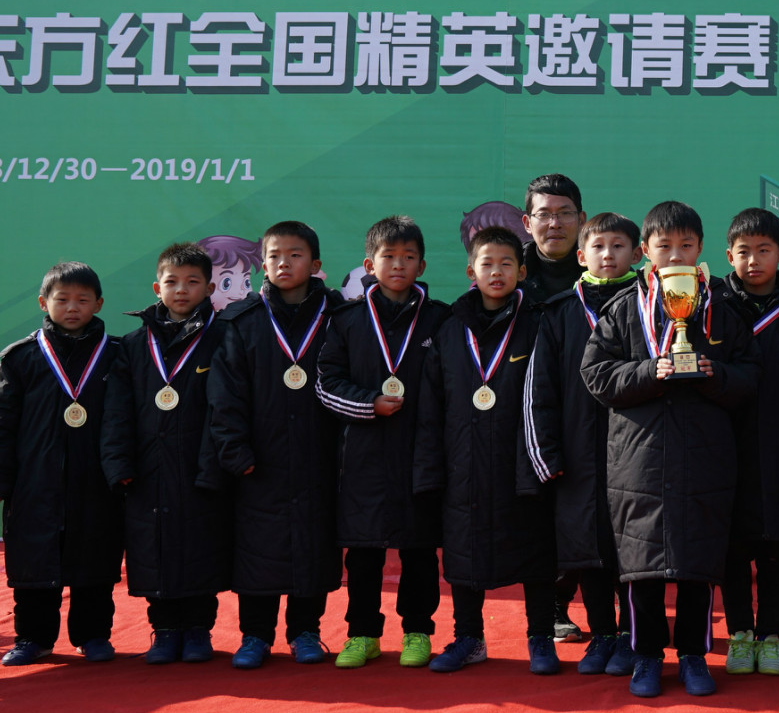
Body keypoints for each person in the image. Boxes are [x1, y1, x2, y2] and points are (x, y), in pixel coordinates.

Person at [581, 201, 760, 699]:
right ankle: (645, 656)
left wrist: (714, 373)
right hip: (637, 462)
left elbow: (751, 376)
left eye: (686, 245)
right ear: (646, 251)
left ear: (700, 249)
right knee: (641, 571)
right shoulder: (623, 310)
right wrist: (648, 371)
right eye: (664, 246)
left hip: (705, 459)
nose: (675, 255)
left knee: (698, 566)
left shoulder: (722, 310)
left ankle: (693, 655)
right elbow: (595, 374)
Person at [415, 226, 558, 674]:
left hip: (524, 461)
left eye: (506, 264)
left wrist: (549, 461)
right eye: (487, 264)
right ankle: (469, 638)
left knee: (537, 551)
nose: (496, 273)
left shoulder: (540, 324)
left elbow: (553, 396)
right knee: (463, 552)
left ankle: (540, 637)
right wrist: (430, 471)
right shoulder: (449, 330)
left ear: (522, 271)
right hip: (463, 463)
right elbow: (430, 408)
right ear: (470, 271)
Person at [205, 221, 344, 669]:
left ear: (316, 264)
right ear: (262, 265)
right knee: (257, 547)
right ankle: (255, 635)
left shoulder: (340, 316)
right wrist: (235, 452)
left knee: (314, 544)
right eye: (275, 256)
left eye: (295, 254)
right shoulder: (241, 321)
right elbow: (224, 394)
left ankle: (306, 631)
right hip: (259, 458)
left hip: (321, 455)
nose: (284, 263)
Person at [318, 216, 450, 669]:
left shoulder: (440, 319)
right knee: (364, 551)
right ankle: (362, 633)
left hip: (421, 453)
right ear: (369, 265)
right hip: (364, 456)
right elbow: (326, 382)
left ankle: (418, 631)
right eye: (388, 256)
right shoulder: (346, 320)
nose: (398, 265)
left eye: (408, 257)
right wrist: (368, 403)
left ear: (422, 265)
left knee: (419, 549)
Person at [0, 261, 123, 665]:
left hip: (97, 481)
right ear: (44, 303)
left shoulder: (117, 355)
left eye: (82, 300)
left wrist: (123, 472)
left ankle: (93, 635)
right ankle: (32, 638)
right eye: (62, 299)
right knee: (33, 561)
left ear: (99, 303)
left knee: (95, 560)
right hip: (34, 483)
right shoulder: (21, 358)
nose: (72, 307)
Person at [523, 212, 643, 675]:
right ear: (580, 256)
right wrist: (547, 454)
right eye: (598, 246)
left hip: (637, 452)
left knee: (634, 550)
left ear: (638, 253)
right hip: (576, 456)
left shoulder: (653, 305)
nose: (607, 255)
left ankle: (633, 636)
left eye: (618, 246)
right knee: (588, 548)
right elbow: (540, 389)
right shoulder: (559, 312)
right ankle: (603, 635)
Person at [101, 243, 231, 665]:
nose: (182, 290)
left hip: (201, 467)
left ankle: (198, 631)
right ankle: (164, 630)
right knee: (151, 549)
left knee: (201, 548)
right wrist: (119, 464)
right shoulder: (133, 345)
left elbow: (228, 408)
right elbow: (116, 412)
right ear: (157, 288)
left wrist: (217, 465)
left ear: (209, 288)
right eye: (172, 282)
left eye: (192, 282)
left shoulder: (224, 338)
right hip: (147, 470)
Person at [711, 208, 779, 677]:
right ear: (728, 256)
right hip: (724, 448)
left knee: (778, 547)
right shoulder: (710, 305)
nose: (753, 261)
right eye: (743, 252)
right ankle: (740, 634)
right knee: (732, 549)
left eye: (763, 251)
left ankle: (772, 634)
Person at [518, 172, 589, 642]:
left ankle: (610, 609)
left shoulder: (601, 271)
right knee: (535, 519)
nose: (555, 224)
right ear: (528, 222)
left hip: (585, 411)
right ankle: (548, 610)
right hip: (521, 411)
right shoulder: (509, 272)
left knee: (587, 511)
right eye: (544, 214)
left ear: (581, 219)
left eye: (565, 214)